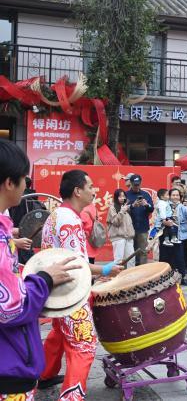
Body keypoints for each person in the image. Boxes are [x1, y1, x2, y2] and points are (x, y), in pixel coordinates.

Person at [0, 140, 78, 400]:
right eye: (24, 178)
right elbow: (12, 308)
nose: (26, 185)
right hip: (8, 369)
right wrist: (45, 279)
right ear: (9, 182)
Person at [39, 169, 122, 400]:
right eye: (90, 186)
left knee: (59, 333)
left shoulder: (55, 215)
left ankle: (44, 375)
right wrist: (106, 269)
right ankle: (71, 397)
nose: (93, 191)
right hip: (70, 293)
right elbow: (76, 264)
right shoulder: (71, 219)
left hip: (56, 292)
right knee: (83, 342)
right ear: (77, 191)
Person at [8, 176, 44, 264]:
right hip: (24, 244)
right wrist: (16, 242)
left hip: (18, 246)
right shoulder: (35, 202)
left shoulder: (23, 201)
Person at [159, 188, 187, 285]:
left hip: (178, 234)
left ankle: (182, 277)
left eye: (177, 195)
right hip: (165, 233)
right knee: (166, 256)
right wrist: (164, 222)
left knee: (179, 256)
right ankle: (164, 278)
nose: (175, 197)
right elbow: (157, 217)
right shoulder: (164, 204)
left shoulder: (183, 206)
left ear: (180, 197)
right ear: (169, 196)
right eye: (173, 195)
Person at [125, 174, 154, 265]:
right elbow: (122, 210)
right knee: (130, 252)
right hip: (129, 228)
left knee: (143, 251)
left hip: (143, 227)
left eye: (138, 184)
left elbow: (151, 209)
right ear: (131, 183)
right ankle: (131, 272)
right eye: (135, 185)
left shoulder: (145, 194)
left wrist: (146, 205)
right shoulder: (126, 194)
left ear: (140, 183)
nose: (136, 187)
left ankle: (143, 272)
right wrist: (132, 206)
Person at [107, 188, 136, 268]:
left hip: (128, 237)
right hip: (118, 237)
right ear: (116, 197)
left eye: (123, 196)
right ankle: (117, 278)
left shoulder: (126, 207)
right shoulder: (112, 208)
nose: (122, 198)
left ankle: (131, 278)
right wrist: (122, 211)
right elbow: (116, 222)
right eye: (119, 196)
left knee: (131, 259)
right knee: (118, 261)